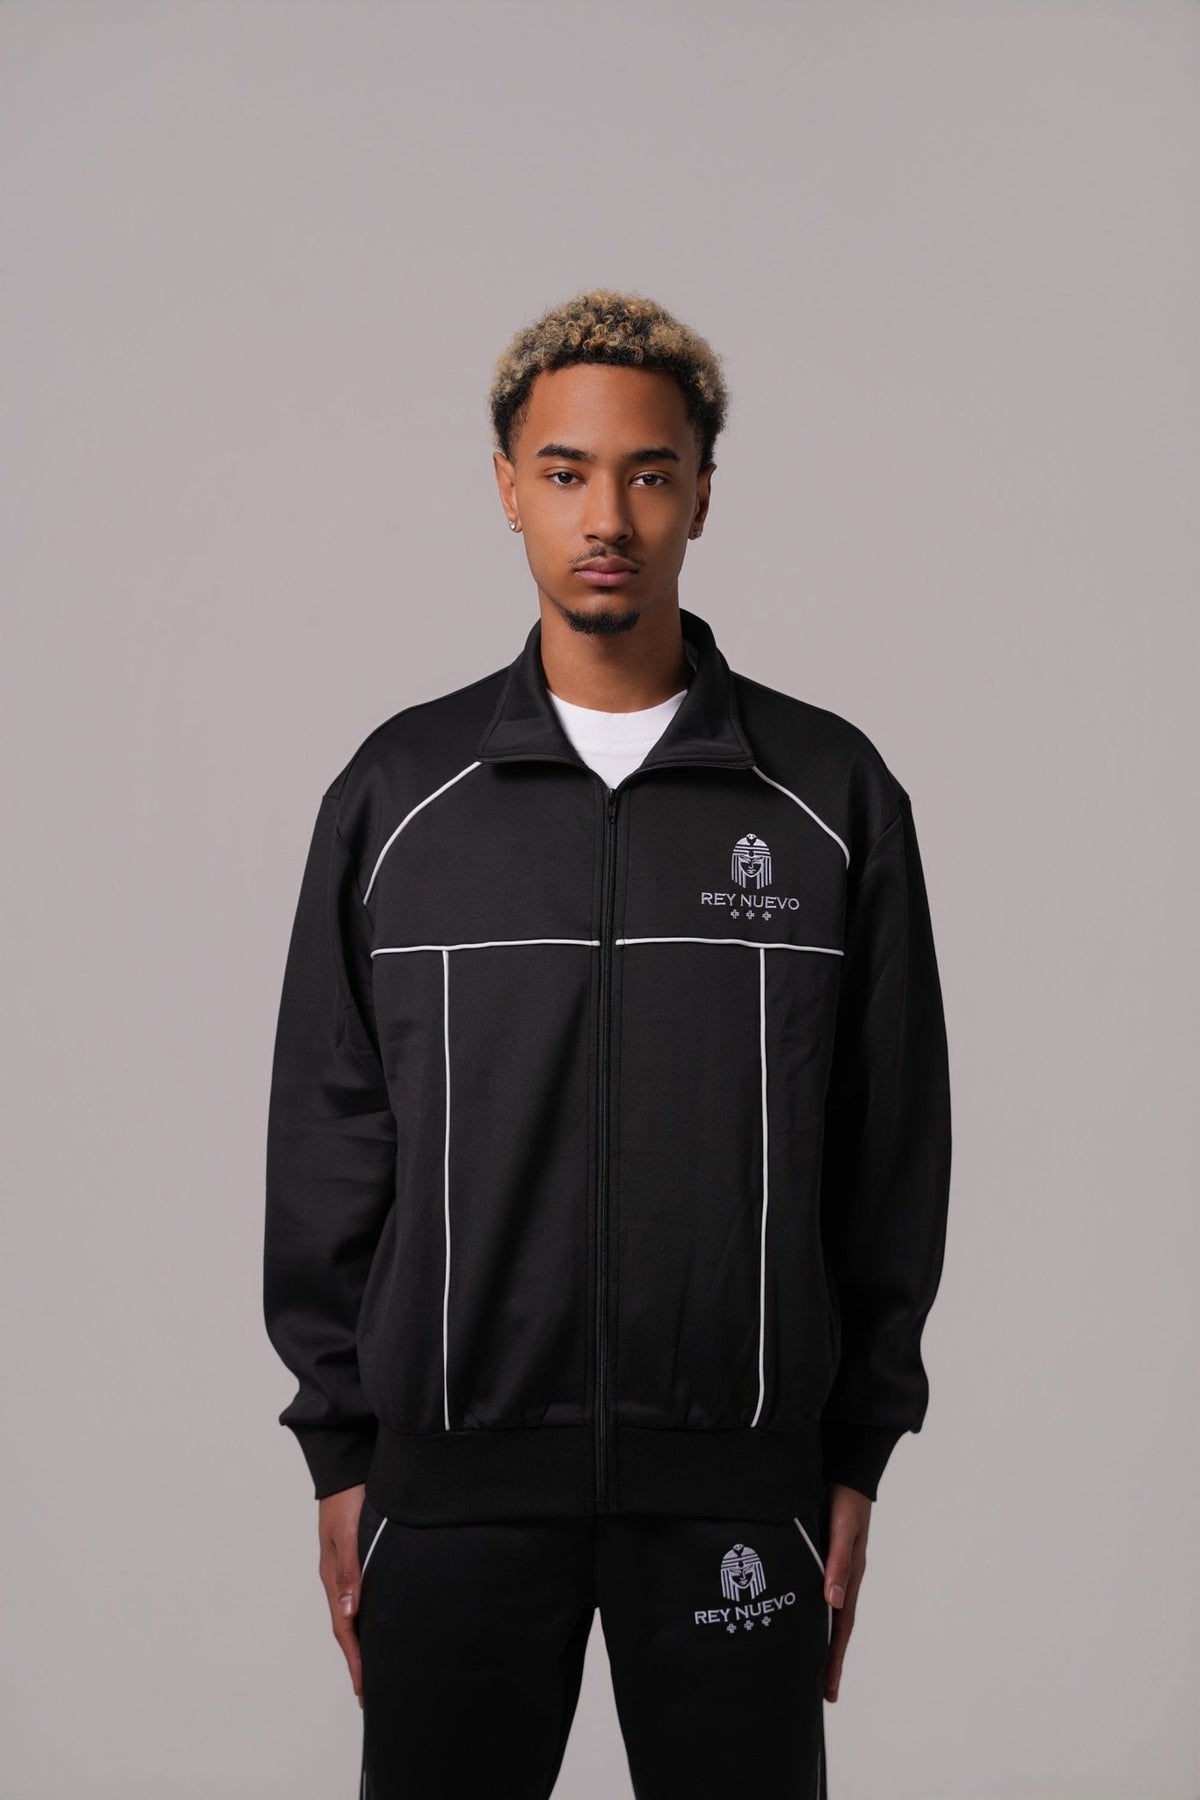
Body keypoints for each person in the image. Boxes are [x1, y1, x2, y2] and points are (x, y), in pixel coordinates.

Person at [263, 287, 952, 1798]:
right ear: (506, 487)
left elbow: (888, 1153)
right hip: (450, 1493)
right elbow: (331, 1134)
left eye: (649, 473)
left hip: (738, 1493)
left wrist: (853, 1453)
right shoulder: (401, 799)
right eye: (566, 471)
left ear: (703, 491)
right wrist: (343, 1449)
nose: (608, 517)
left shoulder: (828, 799)